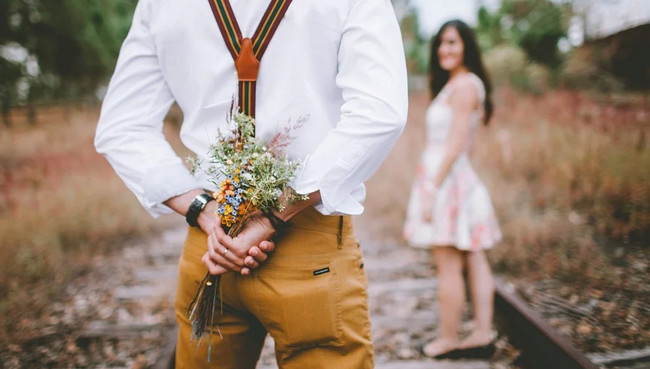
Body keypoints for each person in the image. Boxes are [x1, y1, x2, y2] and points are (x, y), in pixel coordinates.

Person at [95, 0, 407, 368]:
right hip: (307, 244)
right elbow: (380, 113)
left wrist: (205, 210)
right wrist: (272, 216)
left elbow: (122, 127)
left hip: (213, 249)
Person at [402, 19, 502, 359]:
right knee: (474, 256)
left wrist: (432, 187)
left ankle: (448, 339)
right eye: (441, 44)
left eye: (452, 43)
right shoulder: (461, 84)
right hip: (455, 178)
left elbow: (457, 143)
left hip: (446, 181)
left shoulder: (463, 87)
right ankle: (481, 333)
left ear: (466, 47)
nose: (444, 50)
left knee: (448, 263)